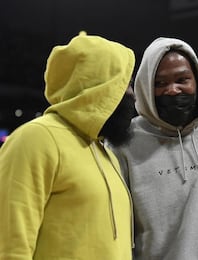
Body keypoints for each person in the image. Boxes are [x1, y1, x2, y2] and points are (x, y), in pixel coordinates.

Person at [111, 37, 198, 260]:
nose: (173, 90)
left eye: (182, 79)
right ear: (145, 87)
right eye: (160, 83)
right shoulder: (124, 141)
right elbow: (114, 227)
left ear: (197, 81)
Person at [0, 33, 136, 259]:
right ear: (101, 86)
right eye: (125, 83)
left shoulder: (106, 152)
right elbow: (10, 244)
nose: (131, 93)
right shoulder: (37, 138)